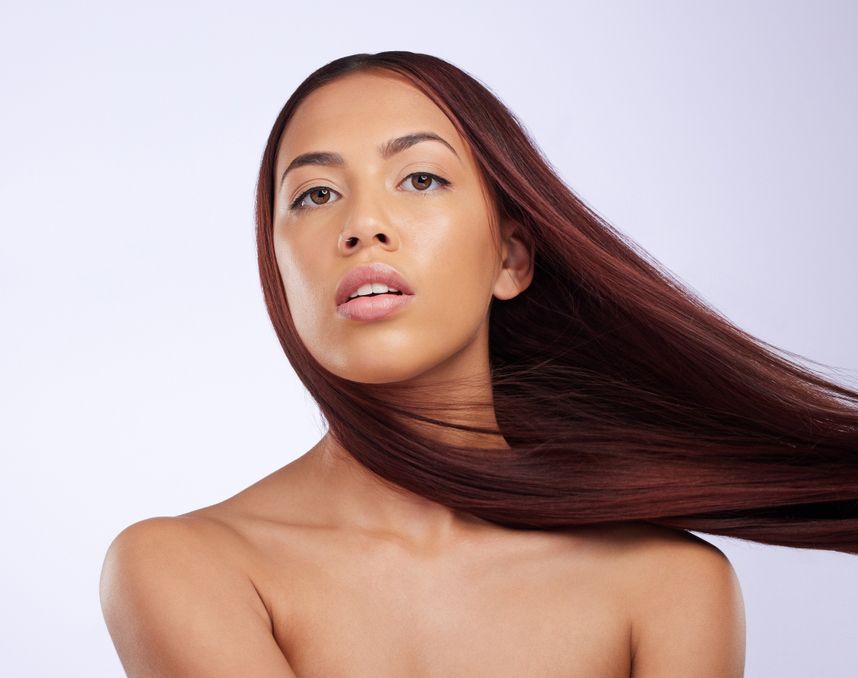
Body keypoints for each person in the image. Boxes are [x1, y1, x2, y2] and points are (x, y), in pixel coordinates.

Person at [99, 51, 858, 677]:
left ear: (512, 258)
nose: (363, 225)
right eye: (316, 194)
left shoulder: (670, 585)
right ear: (278, 266)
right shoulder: (185, 567)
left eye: (420, 179)